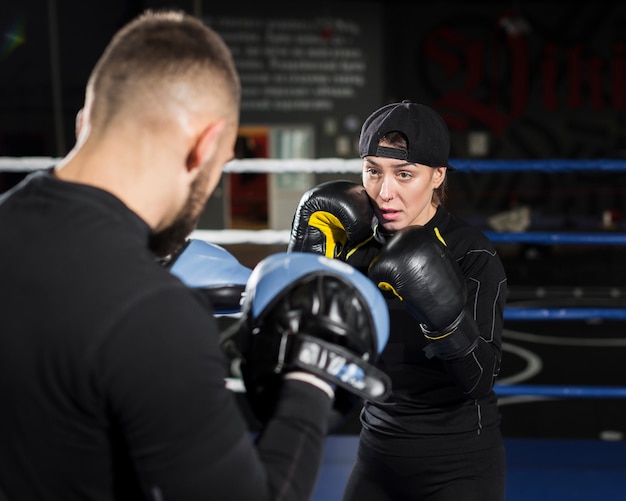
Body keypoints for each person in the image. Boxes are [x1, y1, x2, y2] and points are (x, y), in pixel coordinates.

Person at [0, 10, 389, 501]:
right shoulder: (151, 313)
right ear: (203, 147)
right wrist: (310, 379)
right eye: (221, 166)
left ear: (85, 121)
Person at [288, 100, 508, 500]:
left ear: (438, 175)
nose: (385, 192)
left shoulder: (471, 253)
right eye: (373, 171)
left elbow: (480, 379)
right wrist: (307, 271)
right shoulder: (351, 246)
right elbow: (311, 353)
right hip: (377, 455)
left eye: (404, 174)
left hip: (459, 465)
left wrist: (445, 320)